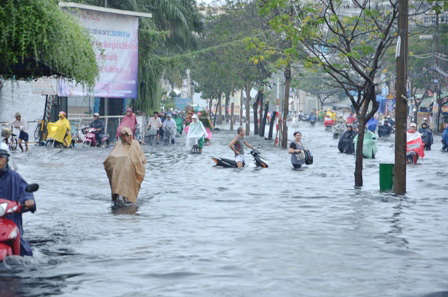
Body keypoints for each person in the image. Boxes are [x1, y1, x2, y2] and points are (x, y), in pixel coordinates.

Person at [0, 147, 36, 256]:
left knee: (25, 251)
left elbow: (25, 190)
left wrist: (28, 200)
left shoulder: (14, 177)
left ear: (6, 160)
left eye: (1, 158)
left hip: (10, 217)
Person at [104, 127, 147, 205]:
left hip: (131, 169)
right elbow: (111, 157)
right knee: (116, 183)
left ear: (131, 136)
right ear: (121, 136)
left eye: (127, 136)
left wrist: (140, 162)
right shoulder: (118, 144)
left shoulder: (135, 143)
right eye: (123, 136)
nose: (126, 138)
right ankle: (117, 197)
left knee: (131, 185)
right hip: (119, 170)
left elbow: (141, 156)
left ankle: (129, 198)